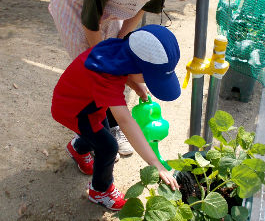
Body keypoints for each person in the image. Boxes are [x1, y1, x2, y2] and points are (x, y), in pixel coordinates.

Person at [49, 0, 212, 157]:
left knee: (120, 60)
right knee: (94, 69)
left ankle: (113, 123)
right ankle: (97, 130)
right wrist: (106, 61)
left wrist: (122, 49)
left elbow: (140, 7)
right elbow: (91, 24)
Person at [51, 24, 181, 210]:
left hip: (87, 100)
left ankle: (78, 148)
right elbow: (125, 121)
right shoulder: (107, 79)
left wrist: (136, 85)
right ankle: (100, 191)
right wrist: (155, 163)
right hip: (75, 109)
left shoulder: (118, 49)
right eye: (149, 77)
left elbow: (125, 70)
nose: (148, 81)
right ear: (136, 67)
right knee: (108, 146)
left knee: (98, 133)